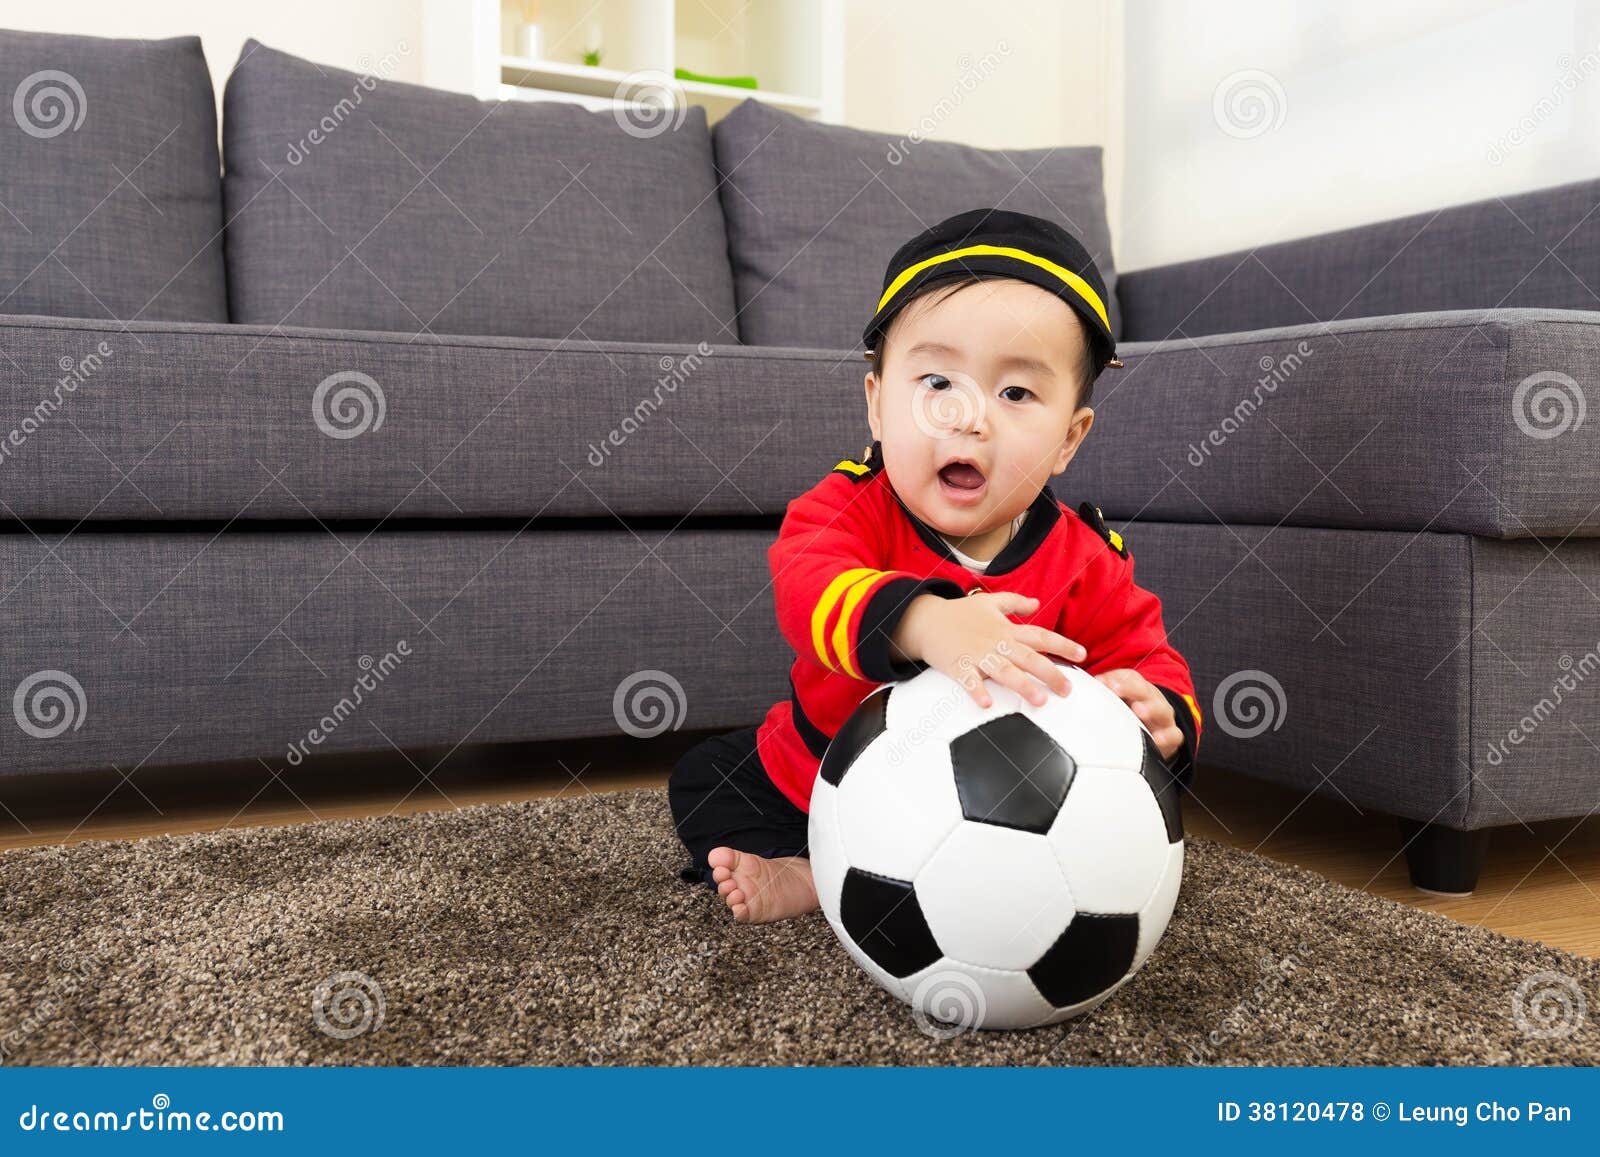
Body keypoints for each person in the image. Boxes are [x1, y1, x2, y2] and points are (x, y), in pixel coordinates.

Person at [669, 207, 1203, 923]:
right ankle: (811, 865)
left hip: (998, 800)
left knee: (1090, 842)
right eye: (937, 382)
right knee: (706, 777)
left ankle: (969, 884)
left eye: (1016, 393)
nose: (968, 418)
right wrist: (924, 622)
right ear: (877, 406)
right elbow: (805, 586)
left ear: (1069, 440)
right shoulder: (848, 507)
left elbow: (1146, 654)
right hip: (820, 773)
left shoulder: (1085, 559)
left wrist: (1161, 711)